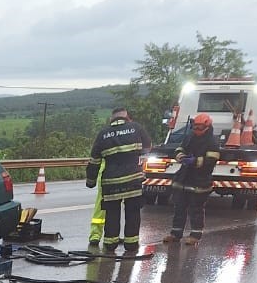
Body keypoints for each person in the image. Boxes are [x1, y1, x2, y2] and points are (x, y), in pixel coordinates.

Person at [85, 108, 152, 252]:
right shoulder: (137, 128)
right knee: (133, 212)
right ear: (127, 118)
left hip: (111, 183)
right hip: (133, 180)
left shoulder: (103, 134)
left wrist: (90, 181)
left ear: (112, 119)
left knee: (112, 214)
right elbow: (147, 147)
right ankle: (131, 244)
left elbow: (94, 160)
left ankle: (110, 244)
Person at [162, 113, 220, 246]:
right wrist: (180, 156)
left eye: (200, 128)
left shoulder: (212, 141)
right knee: (179, 207)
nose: (197, 130)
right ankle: (175, 234)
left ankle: (195, 235)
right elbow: (179, 149)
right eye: (195, 127)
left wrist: (195, 161)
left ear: (207, 127)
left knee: (196, 209)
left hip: (200, 180)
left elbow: (211, 160)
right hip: (184, 177)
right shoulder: (190, 137)